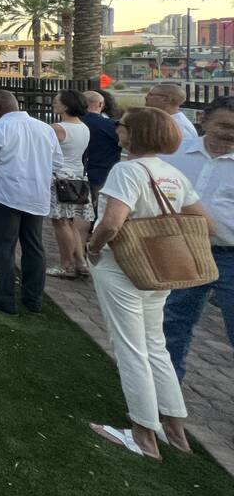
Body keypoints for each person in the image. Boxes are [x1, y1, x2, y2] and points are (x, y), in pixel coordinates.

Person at [84, 107, 214, 459]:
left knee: (130, 347)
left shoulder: (127, 170)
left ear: (134, 133)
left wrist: (92, 248)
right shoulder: (172, 173)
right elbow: (204, 222)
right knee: (155, 344)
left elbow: (111, 223)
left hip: (123, 266)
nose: (117, 129)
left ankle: (143, 433)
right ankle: (175, 429)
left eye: (121, 125)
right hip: (160, 267)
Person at [0, 90, 63, 315]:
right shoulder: (44, 128)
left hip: (7, 195)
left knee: (4, 247)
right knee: (34, 246)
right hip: (36, 194)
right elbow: (58, 162)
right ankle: (33, 298)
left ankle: (5, 297)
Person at [163, 96, 234, 383]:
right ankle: (166, 394)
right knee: (174, 324)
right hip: (184, 251)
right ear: (204, 120)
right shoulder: (175, 153)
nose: (229, 131)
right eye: (223, 124)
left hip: (229, 257)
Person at [47, 90, 92, 279]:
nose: (53, 104)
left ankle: (66, 265)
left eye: (56, 102)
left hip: (60, 179)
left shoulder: (57, 128)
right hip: (79, 178)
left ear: (65, 106)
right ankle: (81, 263)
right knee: (71, 222)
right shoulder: (84, 127)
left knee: (61, 223)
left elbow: (45, 150)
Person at [83, 89, 122, 209]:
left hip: (76, 174)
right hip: (103, 173)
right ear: (100, 104)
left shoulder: (74, 123)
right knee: (99, 209)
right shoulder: (111, 126)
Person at [144, 83, 197, 147]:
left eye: (150, 94)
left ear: (166, 99)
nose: (146, 97)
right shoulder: (168, 121)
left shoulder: (177, 127)